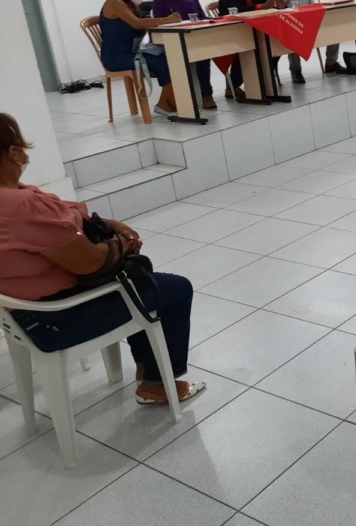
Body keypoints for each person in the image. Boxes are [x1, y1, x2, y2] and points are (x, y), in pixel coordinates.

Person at [0, 114, 205, 405]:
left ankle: (148, 369)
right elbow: (90, 262)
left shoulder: (16, 195)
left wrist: (107, 225)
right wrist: (123, 243)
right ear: (14, 152)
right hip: (56, 317)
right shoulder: (20, 206)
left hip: (19, 312)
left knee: (137, 280)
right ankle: (156, 384)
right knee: (174, 289)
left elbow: (71, 213)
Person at [99, 0, 181, 117]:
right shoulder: (114, 2)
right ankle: (171, 103)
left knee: (172, 56)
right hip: (116, 56)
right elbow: (137, 24)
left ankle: (167, 103)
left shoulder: (132, 6)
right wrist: (167, 20)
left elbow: (141, 26)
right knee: (162, 61)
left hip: (133, 52)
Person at [217, 0, 285, 98]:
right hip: (235, 27)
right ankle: (233, 85)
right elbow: (233, 7)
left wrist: (276, 2)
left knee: (276, 42)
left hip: (256, 25)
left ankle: (265, 75)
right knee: (248, 46)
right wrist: (260, 7)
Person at [151, 0, 216, 110]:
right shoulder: (160, 1)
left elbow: (202, 18)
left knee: (205, 51)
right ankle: (198, 96)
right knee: (200, 54)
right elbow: (161, 27)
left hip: (196, 38)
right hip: (174, 42)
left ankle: (207, 94)